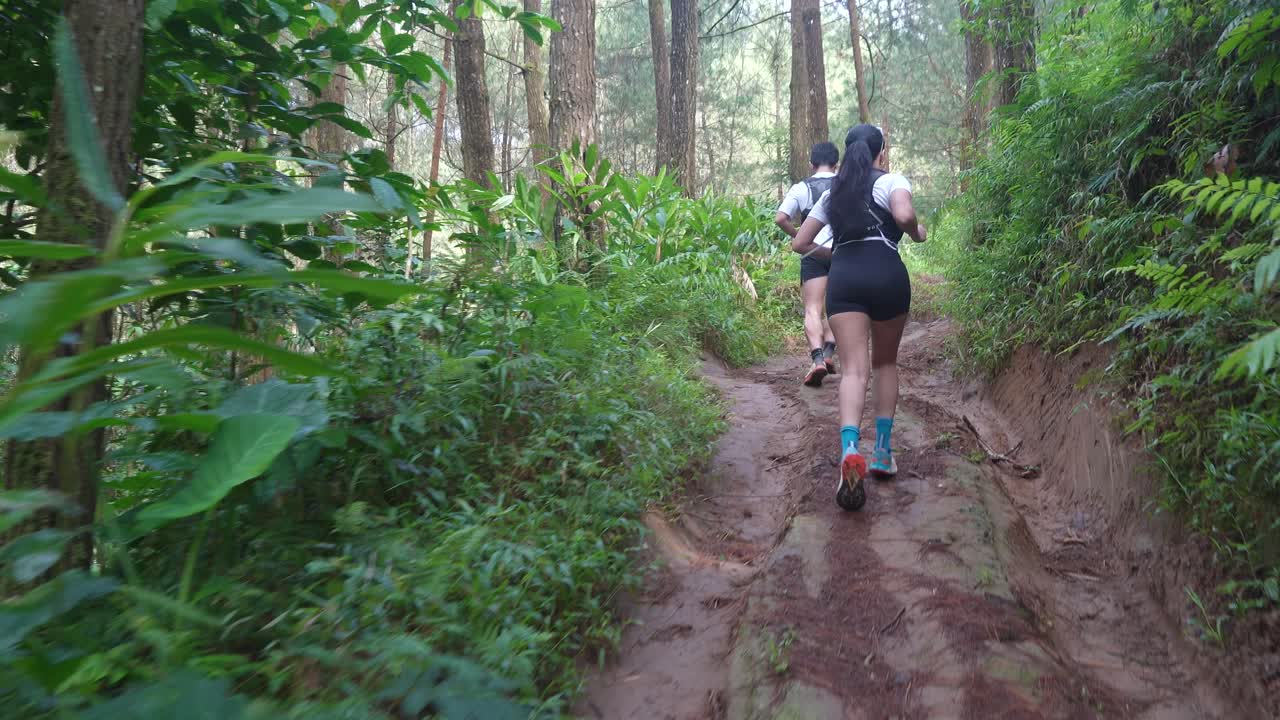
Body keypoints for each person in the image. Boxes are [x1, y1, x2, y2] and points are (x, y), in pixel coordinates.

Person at [789, 125, 926, 511]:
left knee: (852, 371)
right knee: (885, 364)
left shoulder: (834, 192)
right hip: (886, 274)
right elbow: (904, 214)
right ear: (882, 152)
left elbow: (800, 242)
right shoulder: (891, 180)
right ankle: (881, 451)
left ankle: (850, 449)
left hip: (845, 279)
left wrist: (836, 257)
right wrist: (917, 232)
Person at [775, 142, 839, 387]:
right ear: (837, 164)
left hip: (812, 252)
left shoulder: (802, 187)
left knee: (813, 308)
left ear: (811, 164)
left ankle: (818, 359)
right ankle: (830, 353)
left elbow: (780, 218)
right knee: (836, 308)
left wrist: (799, 235)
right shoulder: (846, 185)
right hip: (841, 253)